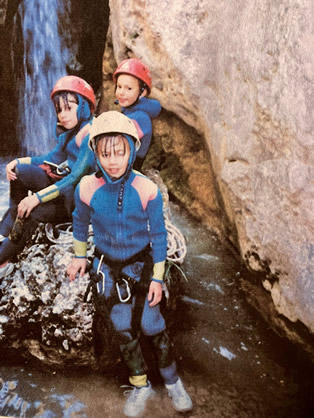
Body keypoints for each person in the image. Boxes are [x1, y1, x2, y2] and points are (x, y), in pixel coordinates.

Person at [67, 111, 192, 417]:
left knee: (152, 324)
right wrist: (79, 255)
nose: (113, 161)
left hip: (141, 263)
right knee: (122, 327)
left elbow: (160, 236)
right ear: (95, 152)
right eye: (105, 153)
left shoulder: (147, 190)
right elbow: (80, 223)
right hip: (108, 264)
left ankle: (173, 380)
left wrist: (158, 278)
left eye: (120, 152)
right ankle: (140, 385)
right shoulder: (86, 188)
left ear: (132, 151)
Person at [0, 75, 96, 279]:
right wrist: (20, 161)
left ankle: (4, 259)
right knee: (19, 174)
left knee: (32, 211)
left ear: (84, 106)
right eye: (59, 110)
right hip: (61, 188)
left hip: (73, 202)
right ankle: (11, 224)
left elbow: (75, 177)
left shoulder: (90, 135)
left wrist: (37, 198)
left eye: (69, 108)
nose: (63, 115)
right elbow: (51, 158)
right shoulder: (71, 131)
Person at [113, 57, 161, 170]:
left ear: (142, 92)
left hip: (128, 168)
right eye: (119, 87)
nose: (121, 93)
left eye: (128, 88)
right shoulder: (130, 109)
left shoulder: (141, 117)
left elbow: (117, 139)